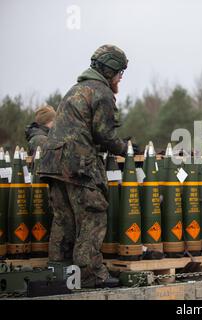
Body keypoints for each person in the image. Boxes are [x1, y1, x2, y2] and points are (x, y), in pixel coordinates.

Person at [39, 44, 138, 288]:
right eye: (120, 72)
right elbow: (104, 134)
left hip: (53, 163)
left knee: (64, 220)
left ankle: (58, 272)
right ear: (110, 70)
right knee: (92, 216)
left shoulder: (76, 89)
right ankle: (91, 275)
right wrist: (126, 149)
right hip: (78, 165)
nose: (120, 78)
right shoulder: (101, 92)